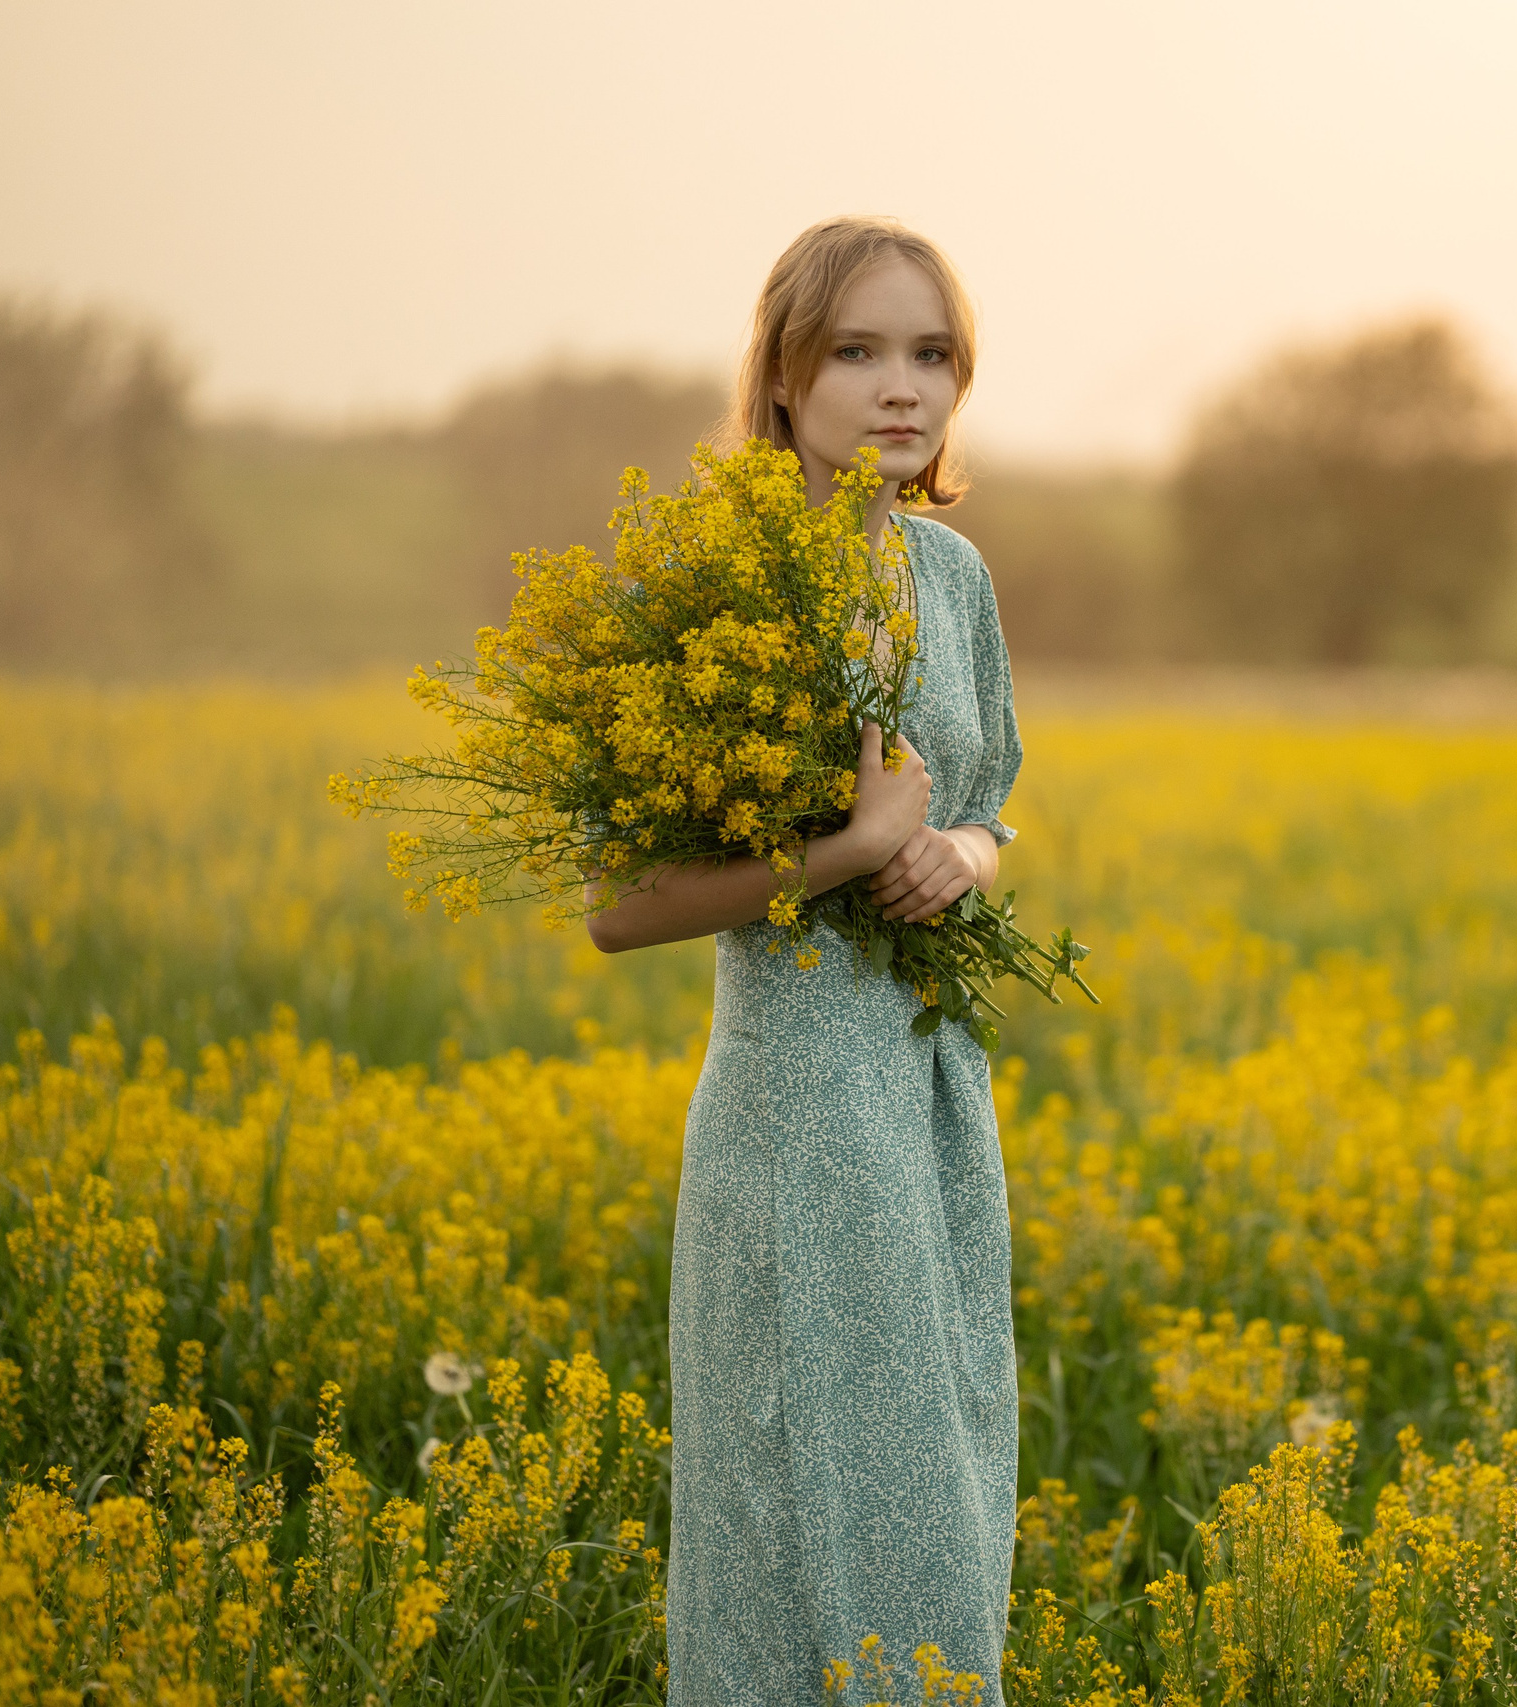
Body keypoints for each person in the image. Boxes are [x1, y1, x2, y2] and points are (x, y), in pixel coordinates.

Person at [584, 215, 1021, 1705]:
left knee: (945, 1496)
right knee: (790, 1512)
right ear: (778, 373)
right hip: (795, 1118)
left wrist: (958, 854)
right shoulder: (705, 581)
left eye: (932, 354)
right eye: (857, 350)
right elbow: (620, 905)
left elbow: (991, 807)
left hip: (936, 1103)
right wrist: (846, 850)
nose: (903, 388)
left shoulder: (951, 577)